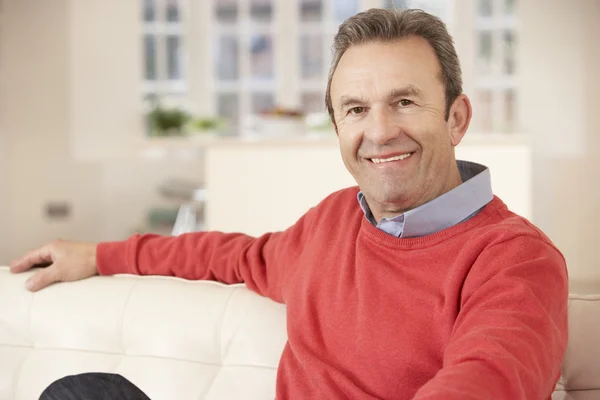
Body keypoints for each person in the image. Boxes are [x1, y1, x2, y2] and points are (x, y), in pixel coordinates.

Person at [11, 8, 568, 400]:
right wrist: (99, 255)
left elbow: (488, 378)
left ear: (456, 118)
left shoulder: (515, 259)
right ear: (337, 126)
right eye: (354, 109)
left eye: (404, 102)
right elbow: (231, 256)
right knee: (80, 394)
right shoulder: (331, 223)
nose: (379, 132)